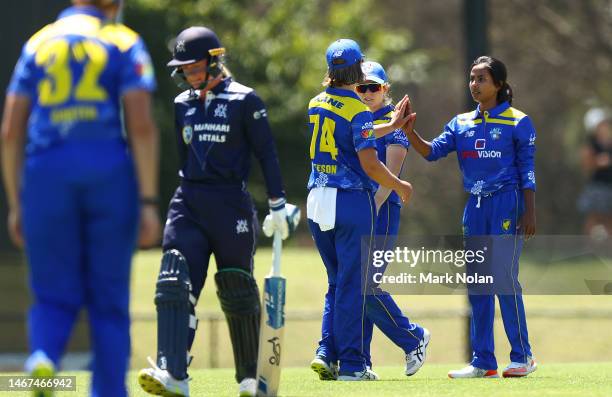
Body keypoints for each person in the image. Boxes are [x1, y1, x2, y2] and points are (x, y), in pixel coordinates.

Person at [1, 0, 160, 396]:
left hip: (45, 176)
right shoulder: (123, 41)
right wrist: (148, 201)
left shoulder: (38, 44)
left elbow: (10, 131)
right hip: (107, 171)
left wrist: (17, 201)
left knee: (53, 293)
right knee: (108, 300)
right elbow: (140, 125)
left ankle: (43, 355)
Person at [137, 26, 296, 397]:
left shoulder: (246, 100)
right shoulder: (182, 104)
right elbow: (185, 155)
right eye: (185, 70)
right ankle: (173, 372)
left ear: (213, 61)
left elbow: (266, 154)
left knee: (237, 288)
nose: (190, 76)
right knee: (174, 282)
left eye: (195, 68)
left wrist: (277, 204)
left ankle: (250, 379)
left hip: (230, 205)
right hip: (189, 201)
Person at [401, 56, 537, 378]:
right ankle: (483, 362)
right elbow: (432, 151)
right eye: (472, 79)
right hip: (474, 207)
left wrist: (529, 211)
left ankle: (523, 356)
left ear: (499, 85)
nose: (474, 85)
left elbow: (527, 170)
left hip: (507, 203)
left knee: (503, 278)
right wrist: (408, 131)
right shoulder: (461, 123)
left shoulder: (519, 122)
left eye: (482, 80)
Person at [306, 39, 419, 382]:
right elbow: (370, 163)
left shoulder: (315, 102)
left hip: (316, 198)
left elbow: (358, 132)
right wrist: (399, 185)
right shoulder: (356, 108)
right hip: (349, 200)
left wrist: (391, 127)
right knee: (355, 285)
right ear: (356, 71)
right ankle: (354, 365)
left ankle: (328, 352)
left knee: (337, 282)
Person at [356, 61, 430, 376]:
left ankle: (413, 337)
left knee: (364, 285)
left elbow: (390, 178)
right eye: (362, 87)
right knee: (354, 286)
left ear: (386, 89)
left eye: (374, 87)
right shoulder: (355, 118)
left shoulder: (392, 121)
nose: (368, 92)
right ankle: (358, 362)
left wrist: (366, 212)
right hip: (356, 211)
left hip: (380, 212)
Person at [578, 107, 612, 238]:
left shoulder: (609, 143)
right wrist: (598, 162)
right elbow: (586, 166)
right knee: (593, 218)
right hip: (597, 186)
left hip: (609, 185)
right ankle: (588, 250)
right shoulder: (590, 145)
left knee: (609, 219)